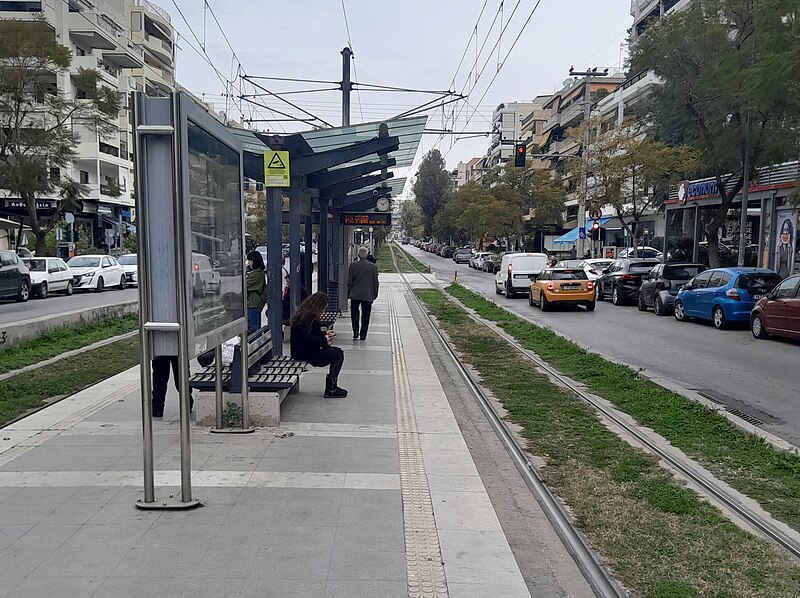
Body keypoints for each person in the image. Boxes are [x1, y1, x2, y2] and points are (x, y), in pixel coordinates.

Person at [290, 292, 347, 398]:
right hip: (305, 353)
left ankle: (331, 387)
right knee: (338, 354)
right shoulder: (309, 318)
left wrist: (324, 334)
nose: (323, 311)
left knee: (336, 352)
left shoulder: (303, 315)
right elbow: (307, 339)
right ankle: (331, 388)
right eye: (324, 308)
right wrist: (324, 340)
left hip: (300, 351)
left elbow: (309, 335)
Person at [348, 246, 380, 340]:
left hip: (355, 294)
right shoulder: (373, 267)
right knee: (366, 314)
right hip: (367, 294)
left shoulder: (353, 265)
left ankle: (355, 331)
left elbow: (350, 280)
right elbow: (375, 282)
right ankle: (363, 334)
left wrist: (348, 292)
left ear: (358, 255)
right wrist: (375, 294)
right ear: (367, 255)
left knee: (354, 312)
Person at [246, 250, 266, 332]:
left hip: (253, 303)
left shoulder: (256, 274)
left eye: (250, 261)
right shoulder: (258, 272)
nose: (249, 263)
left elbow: (245, 286)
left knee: (254, 327)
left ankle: (257, 343)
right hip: (256, 303)